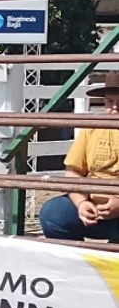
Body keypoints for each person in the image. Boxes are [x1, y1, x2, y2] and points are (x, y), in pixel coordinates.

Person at [39, 71, 119, 243]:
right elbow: (73, 171)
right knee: (53, 213)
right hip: (94, 206)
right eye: (109, 102)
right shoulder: (92, 128)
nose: (114, 108)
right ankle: (78, 256)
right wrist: (81, 203)